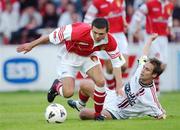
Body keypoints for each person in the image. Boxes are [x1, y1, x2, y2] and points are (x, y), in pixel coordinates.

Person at [16, 18, 125, 120]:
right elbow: (49, 37)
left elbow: (117, 63)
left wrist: (119, 86)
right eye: (95, 32)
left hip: (88, 56)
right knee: (68, 93)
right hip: (69, 57)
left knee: (101, 82)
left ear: (107, 32)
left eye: (101, 34)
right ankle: (56, 86)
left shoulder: (110, 41)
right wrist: (31, 44)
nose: (97, 36)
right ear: (91, 28)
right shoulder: (76, 31)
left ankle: (98, 114)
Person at [67, 34, 167, 120]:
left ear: (154, 75)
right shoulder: (141, 68)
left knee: (83, 114)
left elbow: (160, 113)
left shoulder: (150, 95)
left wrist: (161, 114)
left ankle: (88, 111)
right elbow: (145, 52)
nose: (143, 70)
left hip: (116, 112)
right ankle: (80, 105)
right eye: (144, 67)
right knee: (83, 84)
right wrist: (150, 40)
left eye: (147, 70)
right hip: (110, 96)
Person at [129, 0, 174, 92]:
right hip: (152, 36)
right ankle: (155, 91)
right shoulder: (149, 4)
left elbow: (168, 19)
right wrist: (135, 30)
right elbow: (137, 16)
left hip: (164, 37)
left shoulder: (169, 5)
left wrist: (171, 30)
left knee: (163, 65)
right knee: (157, 62)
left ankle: (142, 85)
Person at [84, 0, 129, 90]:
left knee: (124, 66)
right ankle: (112, 92)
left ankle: (116, 88)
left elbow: (122, 12)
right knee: (109, 68)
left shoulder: (121, 1)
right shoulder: (97, 3)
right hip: (105, 37)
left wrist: (124, 22)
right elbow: (87, 19)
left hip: (120, 35)